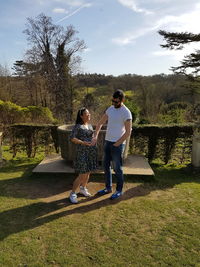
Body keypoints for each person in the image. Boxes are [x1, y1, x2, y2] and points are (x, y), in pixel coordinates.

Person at [92, 90, 132, 200]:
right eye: (112, 101)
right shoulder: (110, 109)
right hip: (107, 142)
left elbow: (128, 132)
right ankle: (108, 188)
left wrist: (117, 144)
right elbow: (100, 123)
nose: (114, 103)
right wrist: (95, 135)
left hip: (117, 145)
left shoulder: (126, 112)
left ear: (122, 100)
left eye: (116, 102)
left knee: (117, 168)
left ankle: (119, 190)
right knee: (105, 166)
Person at [69, 107, 97, 204]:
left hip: (90, 152)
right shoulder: (78, 126)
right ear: (81, 116)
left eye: (89, 113)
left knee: (88, 172)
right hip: (82, 152)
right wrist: (82, 142)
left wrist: (93, 139)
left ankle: (83, 188)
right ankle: (72, 193)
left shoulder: (89, 126)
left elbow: (92, 136)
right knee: (82, 174)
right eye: (86, 114)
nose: (89, 115)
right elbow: (72, 138)